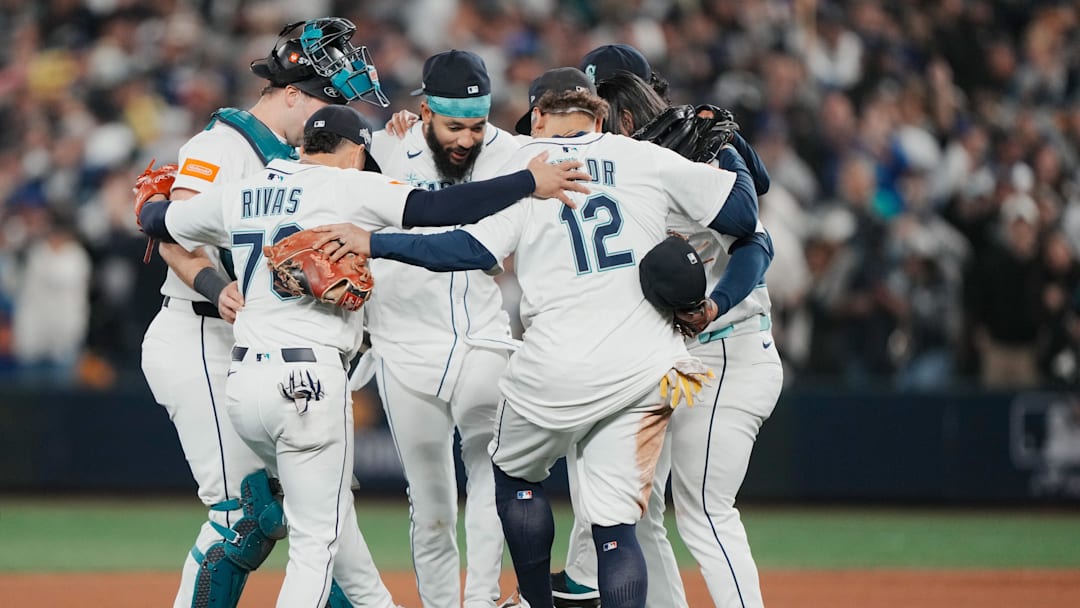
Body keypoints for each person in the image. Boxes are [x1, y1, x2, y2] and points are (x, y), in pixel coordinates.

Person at [311, 68, 769, 608]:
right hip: (649, 365)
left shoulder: (531, 171)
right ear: (599, 116)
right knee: (617, 528)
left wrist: (376, 242)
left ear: (541, 118)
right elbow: (745, 215)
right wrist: (732, 146)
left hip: (557, 364)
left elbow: (468, 251)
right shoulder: (645, 158)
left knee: (512, 474)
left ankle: (535, 602)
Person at [136, 104, 591, 607]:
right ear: (354, 151)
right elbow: (445, 209)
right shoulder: (348, 186)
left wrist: (149, 204)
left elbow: (164, 222)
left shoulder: (241, 191)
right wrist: (527, 182)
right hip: (307, 380)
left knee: (332, 522)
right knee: (317, 544)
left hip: (243, 380)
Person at [139, 17, 399, 608]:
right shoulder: (218, 146)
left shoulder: (303, 156)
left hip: (265, 348)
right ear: (291, 94)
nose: (341, 113)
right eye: (331, 100)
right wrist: (212, 283)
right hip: (201, 334)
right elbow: (173, 229)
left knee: (321, 512)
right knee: (244, 515)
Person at [563, 69, 781, 608]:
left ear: (628, 117)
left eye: (600, 119)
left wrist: (715, 305)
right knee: (640, 509)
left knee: (705, 509)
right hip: (674, 358)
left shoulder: (695, 158)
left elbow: (756, 240)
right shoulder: (624, 174)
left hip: (728, 350)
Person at [358, 49, 522, 608]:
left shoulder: (510, 153)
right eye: (454, 125)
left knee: (489, 479)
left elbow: (477, 248)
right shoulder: (382, 149)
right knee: (430, 505)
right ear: (424, 110)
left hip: (483, 339)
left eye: (477, 125)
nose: (468, 139)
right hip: (405, 348)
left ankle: (479, 600)